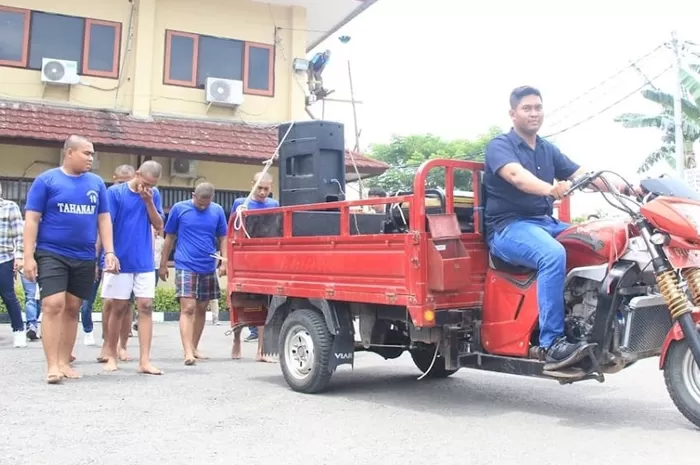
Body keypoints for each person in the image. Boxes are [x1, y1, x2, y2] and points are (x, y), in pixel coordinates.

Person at [483, 86, 638, 371]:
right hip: (508, 228)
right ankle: (551, 343)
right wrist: (551, 189)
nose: (533, 113)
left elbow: (585, 177)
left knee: (600, 242)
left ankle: (595, 326)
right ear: (512, 113)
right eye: (527, 108)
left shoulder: (546, 148)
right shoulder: (500, 146)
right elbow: (517, 176)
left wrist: (631, 188)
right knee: (552, 255)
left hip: (544, 224)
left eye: (538, 107)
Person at [23, 135, 119, 384]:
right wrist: (27, 257)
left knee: (72, 307)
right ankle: (52, 365)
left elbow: (104, 219)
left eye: (92, 153)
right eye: (86, 153)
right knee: (53, 304)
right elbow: (32, 219)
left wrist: (109, 252)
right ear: (70, 153)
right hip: (51, 252)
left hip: (85, 255)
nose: (91, 158)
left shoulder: (97, 183)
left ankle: (64, 361)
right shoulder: (47, 180)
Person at [101, 161, 164, 375]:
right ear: (137, 174)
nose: (147, 187)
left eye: (152, 184)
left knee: (146, 306)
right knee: (117, 307)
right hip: (120, 259)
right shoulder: (115, 193)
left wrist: (149, 202)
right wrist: (109, 254)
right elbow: (106, 224)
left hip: (144, 260)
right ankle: (111, 355)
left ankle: (144, 360)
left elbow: (159, 225)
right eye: (145, 182)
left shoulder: (153, 194)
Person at [160, 182, 227, 365]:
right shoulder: (179, 209)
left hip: (208, 266)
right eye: (199, 202)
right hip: (185, 264)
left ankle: (194, 347)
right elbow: (169, 238)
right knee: (188, 308)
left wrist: (224, 261)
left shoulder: (218, 211)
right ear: (193, 195)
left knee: (201, 308)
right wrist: (163, 264)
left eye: (206, 203)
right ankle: (187, 351)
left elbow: (223, 237)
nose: (203, 206)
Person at [81, 164, 135, 348]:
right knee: (104, 302)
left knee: (125, 303)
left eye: (127, 183)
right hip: (104, 258)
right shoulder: (108, 196)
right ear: (113, 178)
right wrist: (95, 261)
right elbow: (100, 231)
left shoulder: (138, 197)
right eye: (120, 182)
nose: (123, 186)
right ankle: (102, 339)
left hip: (128, 260)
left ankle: (121, 344)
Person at [230, 172, 278, 361]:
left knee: (264, 305)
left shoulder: (274, 205)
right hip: (243, 260)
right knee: (239, 302)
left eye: (266, 189)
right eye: (259, 188)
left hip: (264, 260)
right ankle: (236, 340)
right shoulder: (241, 204)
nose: (262, 192)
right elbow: (232, 232)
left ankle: (261, 351)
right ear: (252, 185)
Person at [0, 184, 26, 347]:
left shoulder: (10, 207)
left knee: (8, 295)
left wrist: (20, 257)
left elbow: (19, 235)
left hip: (4, 258)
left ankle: (19, 331)